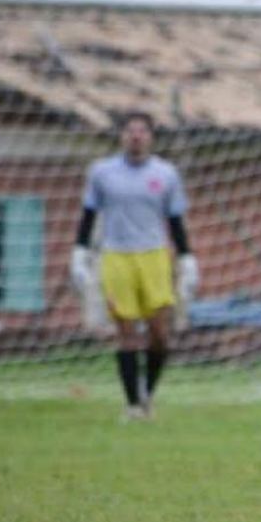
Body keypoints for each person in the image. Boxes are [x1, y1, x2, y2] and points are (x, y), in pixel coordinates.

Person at [71, 112, 197, 419]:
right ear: (122, 136)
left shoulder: (166, 174)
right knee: (126, 332)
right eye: (130, 130)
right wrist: (80, 251)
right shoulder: (102, 172)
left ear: (151, 137)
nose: (136, 136)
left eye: (142, 131)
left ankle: (147, 393)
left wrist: (187, 256)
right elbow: (89, 214)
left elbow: (175, 219)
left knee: (159, 333)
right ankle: (132, 406)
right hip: (116, 256)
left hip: (154, 256)